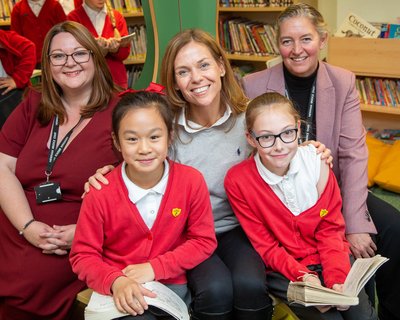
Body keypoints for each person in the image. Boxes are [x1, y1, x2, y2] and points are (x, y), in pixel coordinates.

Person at [85, 28, 331, 320]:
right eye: (184, 72)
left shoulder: (248, 118)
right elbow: (141, 159)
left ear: (220, 66)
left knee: (250, 284)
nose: (197, 78)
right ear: (175, 83)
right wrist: (105, 172)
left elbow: (280, 145)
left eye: (204, 65)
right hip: (186, 233)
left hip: (242, 228)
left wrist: (310, 153)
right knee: (215, 289)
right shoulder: (167, 129)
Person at [241, 4, 400, 320]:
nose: (297, 50)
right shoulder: (254, 84)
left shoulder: (343, 80)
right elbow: (252, 146)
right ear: (278, 44)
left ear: (322, 39)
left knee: (394, 229)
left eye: (306, 39)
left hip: (334, 187)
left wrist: (355, 223)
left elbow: (354, 154)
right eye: (287, 41)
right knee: (339, 244)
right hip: (284, 191)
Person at [0, 21, 121, 320]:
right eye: (59, 56)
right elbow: (2, 166)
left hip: (75, 236)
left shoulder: (124, 110)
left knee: (32, 284)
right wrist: (27, 227)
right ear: (48, 63)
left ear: (95, 56)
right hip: (16, 222)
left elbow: (139, 189)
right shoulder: (33, 103)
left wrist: (84, 234)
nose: (70, 63)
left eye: (80, 53)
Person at [224, 92, 377, 320]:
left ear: (297, 128)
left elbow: (330, 230)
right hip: (285, 269)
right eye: (266, 137)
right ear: (250, 138)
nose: (279, 146)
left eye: (287, 133)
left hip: (332, 256)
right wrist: (303, 276)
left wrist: (337, 278)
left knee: (361, 315)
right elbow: (266, 246)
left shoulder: (317, 163)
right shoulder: (238, 181)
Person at [70, 89, 217, 319]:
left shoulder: (191, 181)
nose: (144, 148)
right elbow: (83, 255)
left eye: (154, 137)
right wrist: (115, 281)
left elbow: (203, 240)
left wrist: (155, 268)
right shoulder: (100, 192)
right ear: (117, 142)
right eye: (131, 139)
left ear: (170, 136)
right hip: (119, 290)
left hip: (171, 289)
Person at [67, 0, 131, 88]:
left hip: (116, 81)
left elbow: (125, 54)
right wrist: (96, 51)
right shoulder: (73, 19)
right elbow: (71, 54)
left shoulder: (117, 17)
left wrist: (116, 50)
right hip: (87, 83)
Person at [10, 0, 66, 66]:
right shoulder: (18, 8)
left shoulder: (55, 5)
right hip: (29, 60)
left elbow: (65, 31)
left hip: (55, 57)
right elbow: (15, 39)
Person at [0, 30, 36, 128]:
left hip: (11, 92)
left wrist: (17, 79)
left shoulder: (7, 38)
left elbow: (29, 48)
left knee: (11, 126)